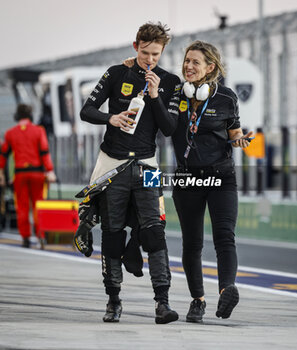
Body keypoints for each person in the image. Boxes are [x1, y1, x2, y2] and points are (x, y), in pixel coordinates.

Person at [79, 22, 181, 324]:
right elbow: (87, 110)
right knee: (111, 233)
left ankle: (163, 303)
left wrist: (154, 95)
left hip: (148, 164)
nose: (151, 59)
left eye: (156, 54)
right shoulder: (116, 73)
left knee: (154, 231)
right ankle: (113, 301)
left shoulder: (170, 81)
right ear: (135, 46)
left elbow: (169, 128)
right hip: (113, 163)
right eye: (146, 52)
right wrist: (111, 118)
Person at [170, 41, 253, 323]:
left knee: (224, 237)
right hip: (186, 178)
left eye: (195, 62)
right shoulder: (173, 94)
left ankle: (227, 289)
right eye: (186, 61)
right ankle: (198, 301)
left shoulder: (227, 98)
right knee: (192, 243)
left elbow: (234, 134)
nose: (188, 66)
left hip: (221, 176)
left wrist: (240, 141)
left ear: (210, 67)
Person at [0, 104, 56, 248]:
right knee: (39, 205)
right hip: (37, 173)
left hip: (20, 175)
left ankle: (25, 238)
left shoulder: (10, 133)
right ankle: (41, 236)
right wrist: (50, 171)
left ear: (17, 116)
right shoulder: (39, 131)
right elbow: (44, 151)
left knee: (22, 206)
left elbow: (3, 155)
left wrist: (1, 173)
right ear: (30, 115)